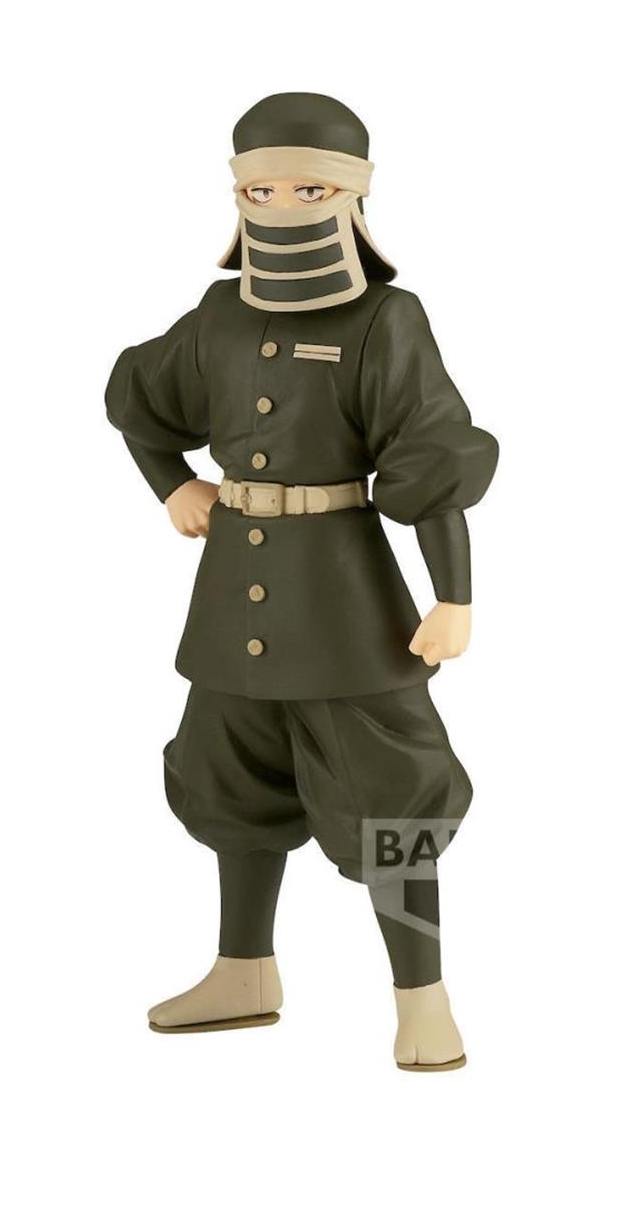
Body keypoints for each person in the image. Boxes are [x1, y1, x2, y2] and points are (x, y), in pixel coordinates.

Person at [105, 93, 497, 1071]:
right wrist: (173, 484)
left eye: (308, 189)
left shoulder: (385, 318)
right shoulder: (217, 316)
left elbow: (427, 454)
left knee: (394, 796)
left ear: (352, 195)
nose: (281, 205)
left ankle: (423, 997)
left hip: (347, 607)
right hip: (229, 596)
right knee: (232, 782)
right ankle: (243, 972)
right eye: (262, 189)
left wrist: (453, 594)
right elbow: (139, 397)